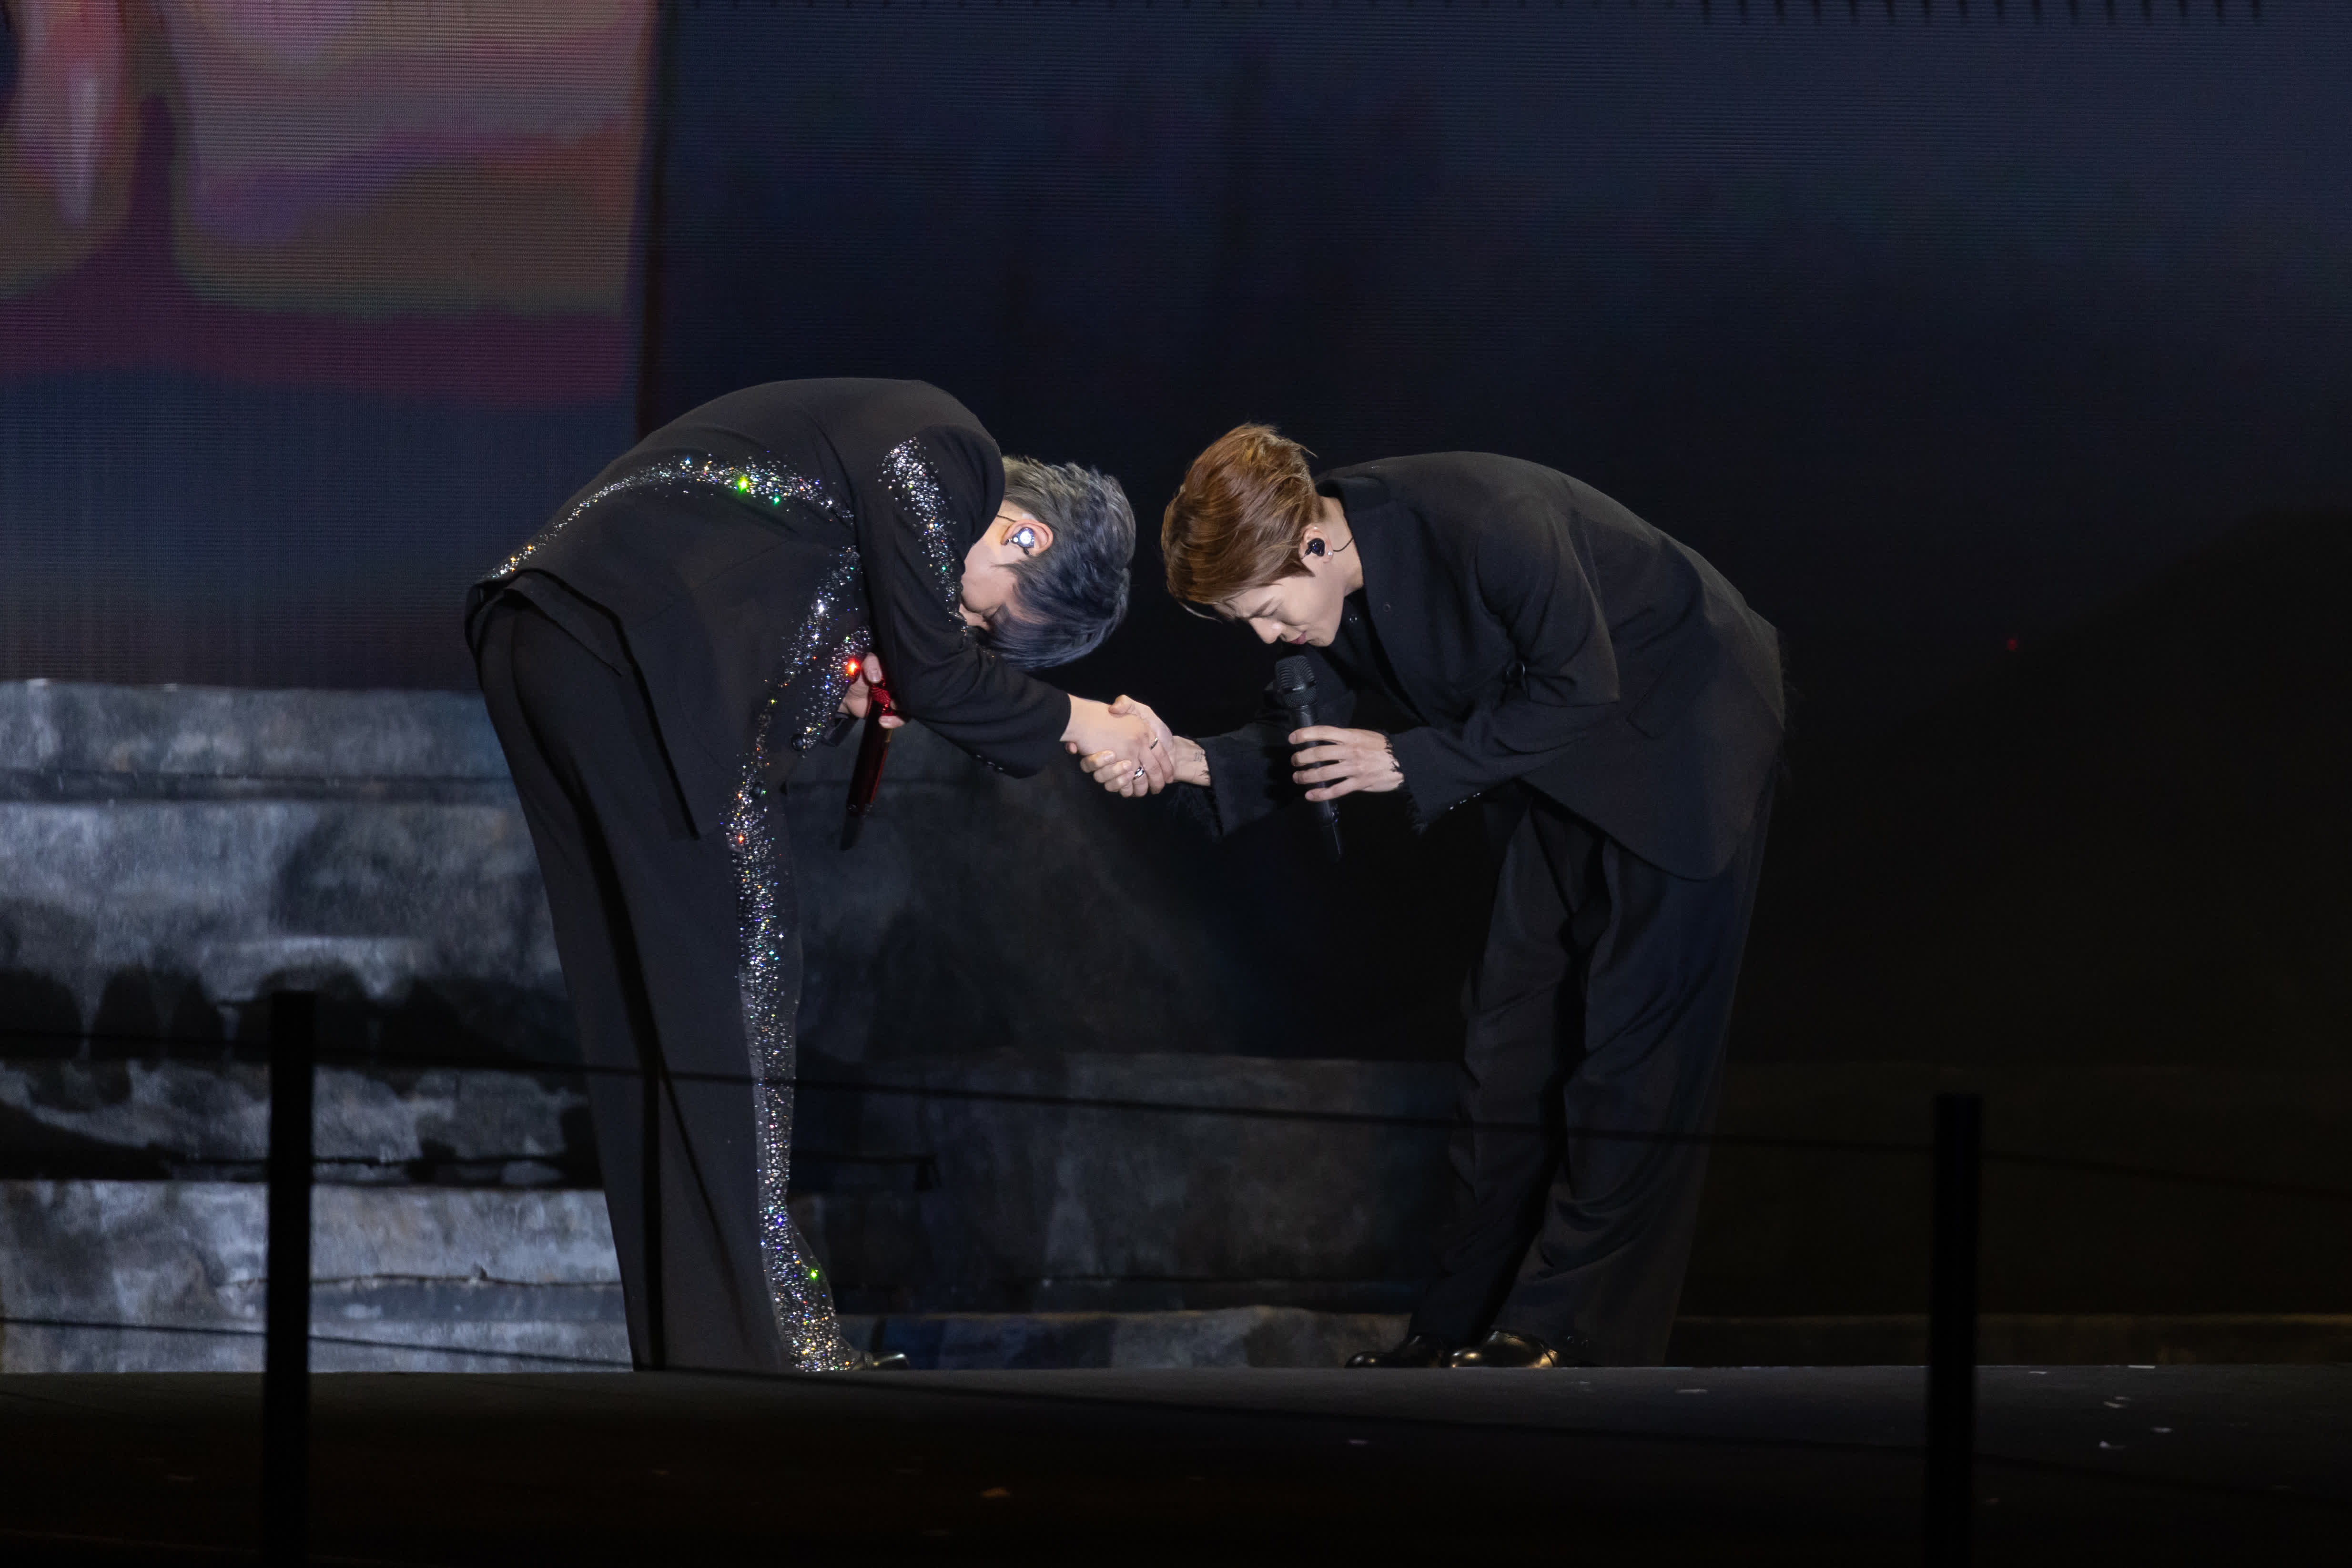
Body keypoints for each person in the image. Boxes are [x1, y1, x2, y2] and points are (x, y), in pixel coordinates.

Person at [468, 379, 1168, 1373]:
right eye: (988, 623)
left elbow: (798, 613)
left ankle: (717, 1347)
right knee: (741, 981)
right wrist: (1084, 721)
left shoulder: (885, 481)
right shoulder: (947, 453)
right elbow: (935, 672)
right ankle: (763, 1346)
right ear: (1023, 538)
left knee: (661, 1015)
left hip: (564, 645)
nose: (963, 632)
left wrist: (843, 684)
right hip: (620, 652)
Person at [1084, 425, 1783, 1367]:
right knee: (1506, 1045)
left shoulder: (1489, 522)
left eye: (1266, 610)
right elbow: (1305, 734)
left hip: (1681, 736)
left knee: (1631, 1051)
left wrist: (1407, 760)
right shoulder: (1331, 580)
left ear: (1313, 545)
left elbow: (1580, 684)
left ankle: (1570, 1330)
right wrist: (1184, 759)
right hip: (1553, 764)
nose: (1265, 636)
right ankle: (1460, 1322)